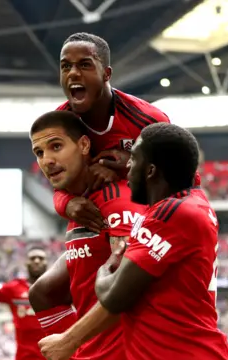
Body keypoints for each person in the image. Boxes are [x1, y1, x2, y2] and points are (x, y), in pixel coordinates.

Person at [39, 123, 228, 360]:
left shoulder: (174, 213)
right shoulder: (186, 206)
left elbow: (115, 295)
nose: (125, 168)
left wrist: (105, 269)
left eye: (132, 159)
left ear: (150, 171)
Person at [21, 110, 147, 360]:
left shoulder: (117, 200)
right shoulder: (79, 202)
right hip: (79, 359)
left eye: (56, 147)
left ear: (85, 145)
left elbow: (128, 289)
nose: (47, 159)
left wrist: (68, 339)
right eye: (39, 152)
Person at [54, 32, 170, 232]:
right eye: (66, 66)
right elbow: (58, 186)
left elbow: (185, 182)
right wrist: (67, 205)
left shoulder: (148, 120)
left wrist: (133, 166)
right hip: (93, 228)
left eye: (84, 64)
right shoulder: (59, 124)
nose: (72, 73)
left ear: (106, 74)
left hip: (146, 229)